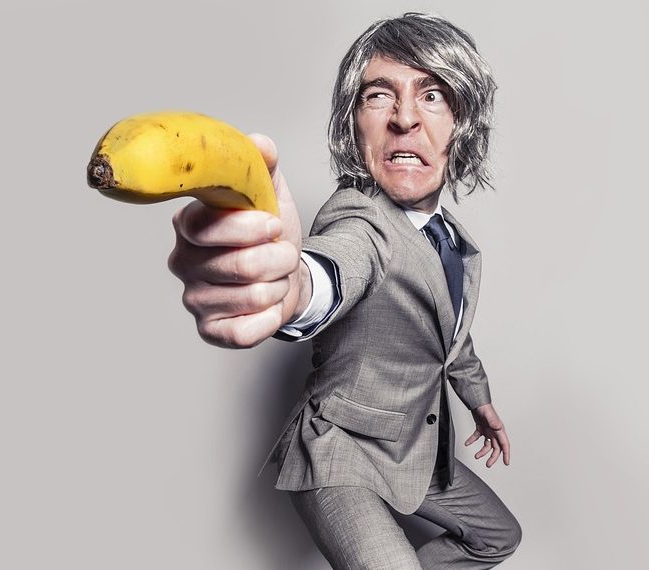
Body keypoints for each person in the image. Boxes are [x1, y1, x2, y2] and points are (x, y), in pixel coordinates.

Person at [168, 13, 522, 569]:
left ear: (462, 125)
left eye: (432, 96)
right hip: (339, 453)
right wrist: (290, 289)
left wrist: (479, 401)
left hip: (411, 447)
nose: (405, 118)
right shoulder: (360, 220)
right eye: (379, 95)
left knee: (498, 536)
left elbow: (451, 337)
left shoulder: (450, 240)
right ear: (353, 125)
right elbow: (334, 268)